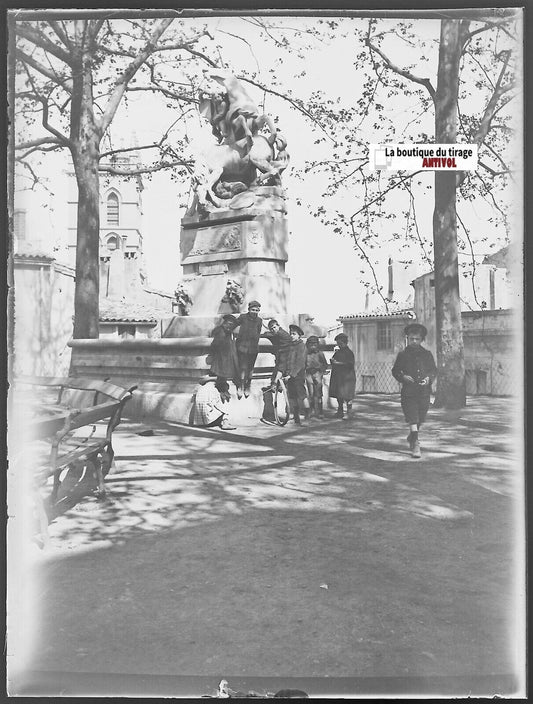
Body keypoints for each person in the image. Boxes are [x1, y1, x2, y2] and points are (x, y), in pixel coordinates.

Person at [392, 322, 437, 458]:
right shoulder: (403, 355)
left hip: (423, 392)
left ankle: (412, 435)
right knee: (412, 417)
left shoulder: (427, 355)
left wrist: (429, 379)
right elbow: (395, 371)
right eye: (411, 339)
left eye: (417, 339)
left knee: (420, 418)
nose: (414, 341)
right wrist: (403, 376)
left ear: (422, 340)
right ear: (408, 338)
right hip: (408, 393)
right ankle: (415, 444)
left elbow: (433, 370)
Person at [279, 324, 310, 425]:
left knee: (302, 395)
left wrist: (291, 374)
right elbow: (288, 361)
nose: (292, 336)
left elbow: (300, 363)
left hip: (298, 376)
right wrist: (286, 373)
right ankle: (296, 416)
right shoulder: (291, 346)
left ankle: (307, 416)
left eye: (294, 334)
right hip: (289, 375)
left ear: (299, 336)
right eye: (291, 334)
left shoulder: (302, 346)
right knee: (292, 396)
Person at [234, 300, 263, 398]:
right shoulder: (243, 317)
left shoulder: (259, 320)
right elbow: (234, 324)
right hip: (242, 347)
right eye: (252, 310)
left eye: (256, 310)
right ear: (249, 309)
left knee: (250, 368)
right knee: (242, 368)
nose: (254, 312)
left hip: (253, 348)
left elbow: (258, 332)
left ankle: (248, 385)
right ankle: (241, 386)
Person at [208, 314, 240, 398]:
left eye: (232, 325)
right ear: (225, 323)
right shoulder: (221, 331)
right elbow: (215, 344)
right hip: (221, 356)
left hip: (227, 356)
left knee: (224, 374)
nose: (229, 326)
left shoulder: (228, 332)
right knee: (221, 374)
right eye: (228, 324)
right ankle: (222, 390)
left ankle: (224, 390)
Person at [329, 333, 356, 420]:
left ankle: (349, 412)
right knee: (339, 395)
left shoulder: (349, 353)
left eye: (339, 343)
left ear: (344, 342)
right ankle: (340, 411)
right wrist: (332, 361)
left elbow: (350, 364)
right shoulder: (338, 352)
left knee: (347, 395)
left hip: (347, 377)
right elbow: (334, 361)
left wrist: (338, 363)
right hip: (338, 377)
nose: (338, 345)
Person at [261, 318, 292, 387]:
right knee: (279, 367)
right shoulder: (278, 332)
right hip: (283, 352)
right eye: (271, 329)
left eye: (274, 327)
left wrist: (263, 334)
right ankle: (278, 384)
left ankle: (274, 383)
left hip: (286, 352)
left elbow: (269, 335)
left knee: (281, 367)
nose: (273, 330)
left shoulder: (280, 333)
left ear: (278, 326)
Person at [305, 335, 328, 418]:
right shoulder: (306, 354)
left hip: (317, 373)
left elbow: (325, 364)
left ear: (317, 345)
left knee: (318, 394)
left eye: (314, 344)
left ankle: (320, 411)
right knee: (311, 394)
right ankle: (311, 410)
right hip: (308, 374)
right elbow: (303, 364)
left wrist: (321, 373)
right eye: (311, 344)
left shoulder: (320, 354)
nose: (313, 346)